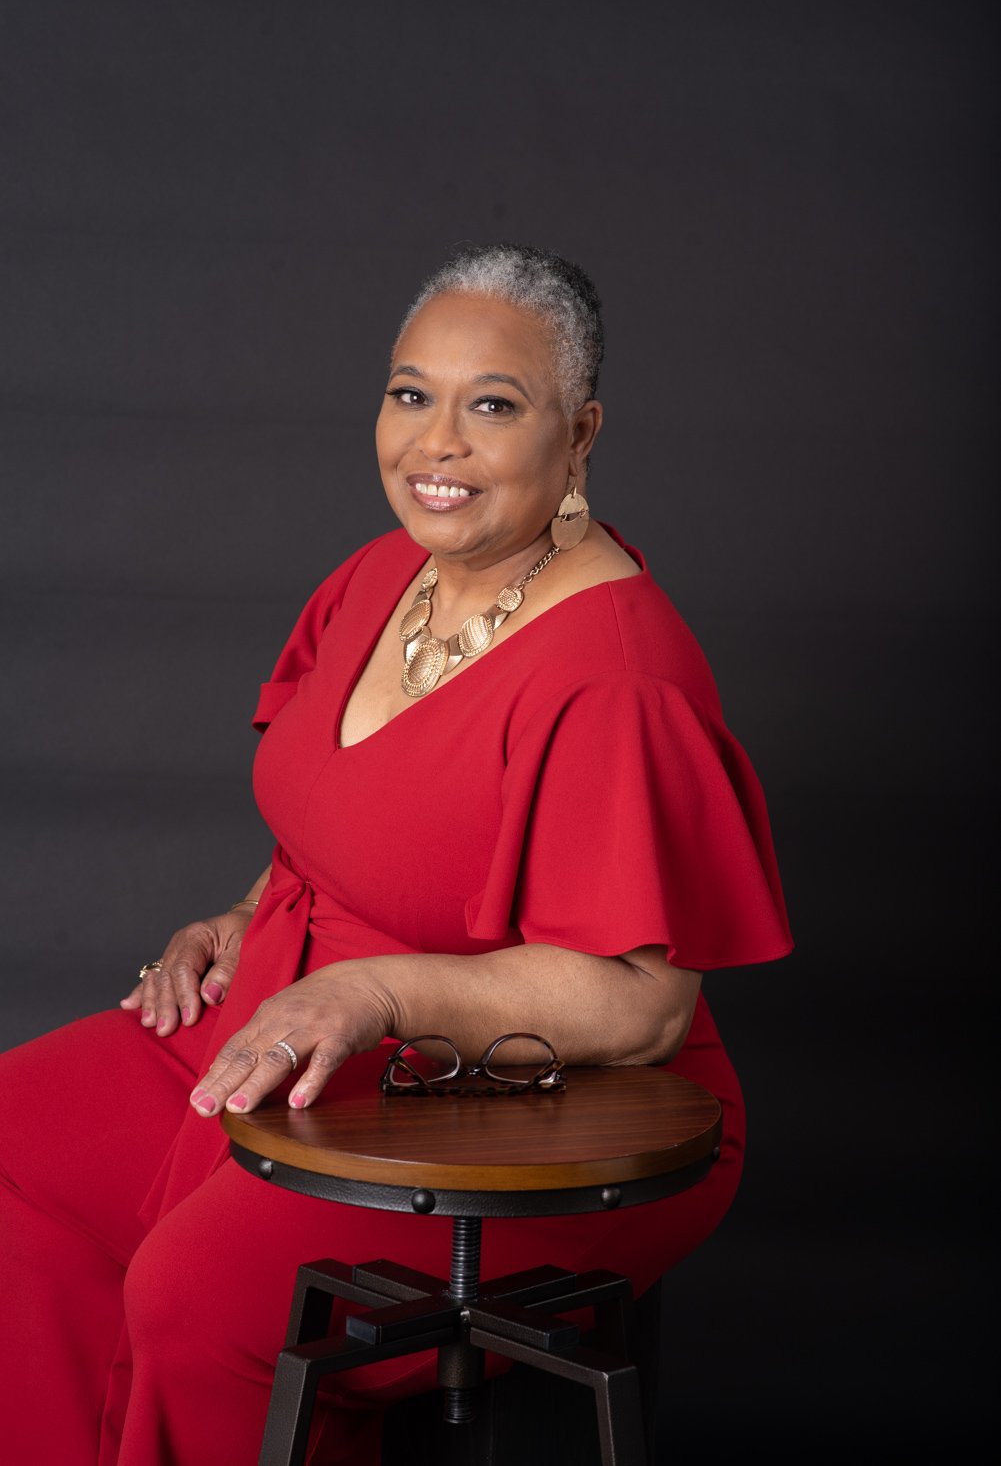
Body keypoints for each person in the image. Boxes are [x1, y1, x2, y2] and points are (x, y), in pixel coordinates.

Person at [0, 243, 793, 1465]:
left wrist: (372, 989)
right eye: (409, 393)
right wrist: (241, 910)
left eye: (492, 405)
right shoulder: (382, 577)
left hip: (526, 1106)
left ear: (577, 434)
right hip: (287, 1021)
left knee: (198, 1307)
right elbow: (343, 811)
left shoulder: (616, 672)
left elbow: (639, 1003)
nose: (435, 443)